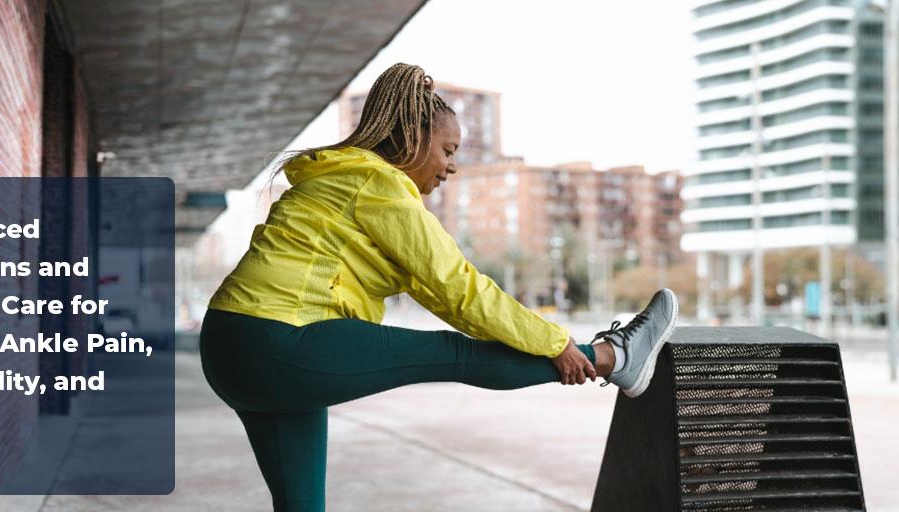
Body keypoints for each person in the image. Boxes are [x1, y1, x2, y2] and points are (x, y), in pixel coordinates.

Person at [199, 63, 678, 511]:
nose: (451, 167)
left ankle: (610, 357)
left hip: (230, 345)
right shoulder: (378, 184)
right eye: (447, 151)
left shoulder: (337, 180)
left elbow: (440, 292)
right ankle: (614, 357)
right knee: (456, 353)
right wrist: (558, 344)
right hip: (279, 336)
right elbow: (460, 291)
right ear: (410, 137)